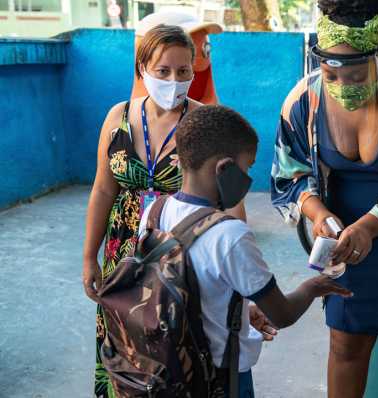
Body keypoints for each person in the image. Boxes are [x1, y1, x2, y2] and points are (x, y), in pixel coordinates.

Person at [81, 24, 255, 397]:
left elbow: (232, 204)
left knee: (180, 352)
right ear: (143, 68)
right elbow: (102, 189)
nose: (174, 81)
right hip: (124, 257)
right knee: (126, 348)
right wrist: (89, 258)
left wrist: (245, 286)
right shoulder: (118, 118)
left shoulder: (206, 124)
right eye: (163, 71)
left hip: (182, 261)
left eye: (183, 71)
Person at [138, 104, 351, 397]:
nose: (248, 178)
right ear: (224, 168)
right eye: (247, 167)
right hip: (218, 378)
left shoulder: (153, 212)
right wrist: (313, 288)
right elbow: (282, 314)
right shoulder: (230, 235)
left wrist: (238, 310)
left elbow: (181, 289)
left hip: (166, 369)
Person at [270, 0, 378, 397]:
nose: (341, 87)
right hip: (343, 246)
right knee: (345, 342)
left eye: (355, 76)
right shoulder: (305, 97)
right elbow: (289, 172)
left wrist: (370, 226)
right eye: (330, 73)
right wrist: (318, 213)